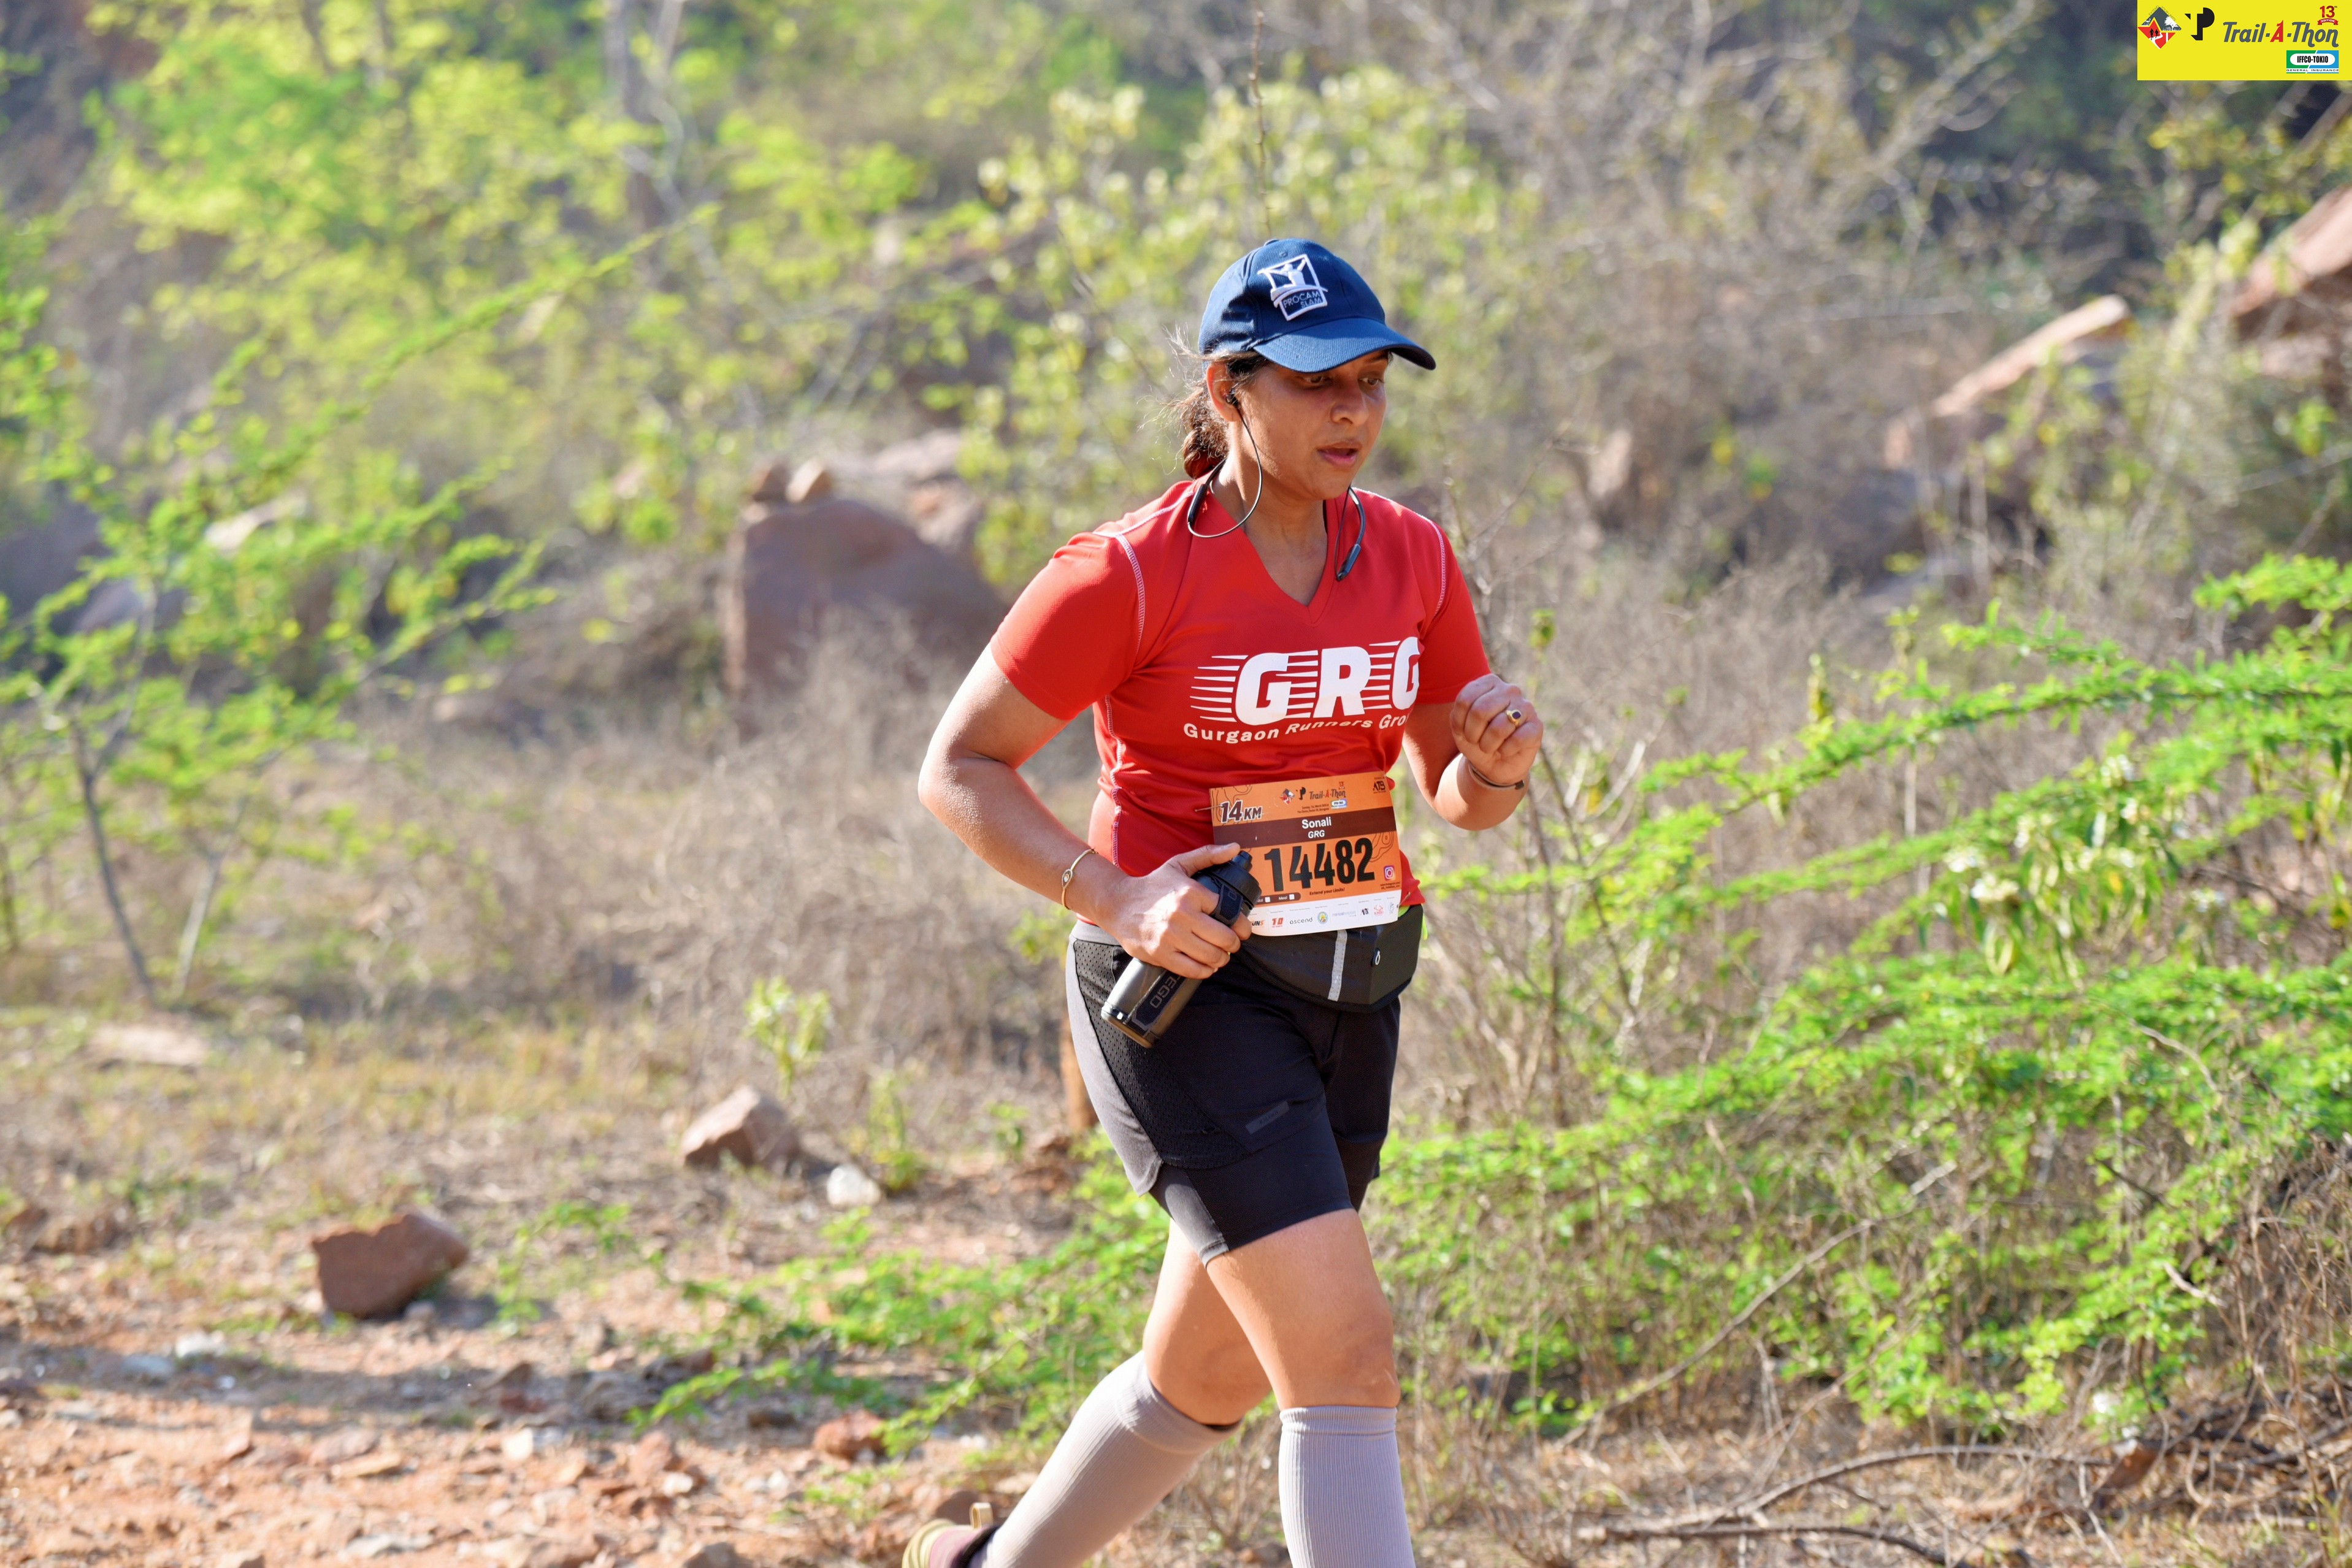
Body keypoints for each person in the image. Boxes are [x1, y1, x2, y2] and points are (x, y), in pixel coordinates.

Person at [913, 238, 1543, 1568]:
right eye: (1317, 383)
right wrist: (1116, 897)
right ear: (1228, 390)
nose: (1352, 412)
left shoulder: (1412, 556)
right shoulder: (1129, 572)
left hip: (1351, 986)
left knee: (1206, 1374)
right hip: (1187, 990)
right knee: (1343, 1355)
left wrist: (1497, 766)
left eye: (1370, 382)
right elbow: (958, 767)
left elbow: (1455, 792)